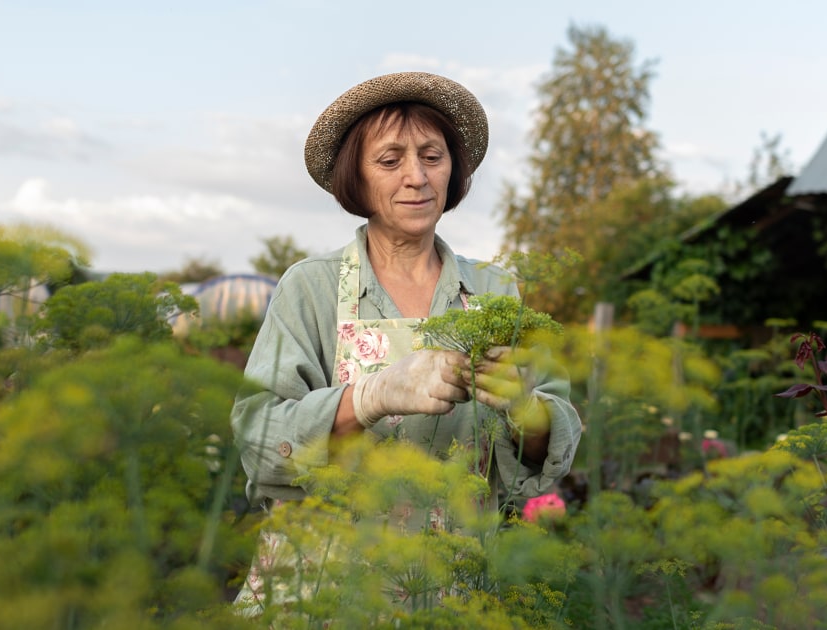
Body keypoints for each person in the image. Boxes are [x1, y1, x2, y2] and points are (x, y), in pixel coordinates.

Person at [231, 71, 582, 511]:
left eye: (432, 157)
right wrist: (369, 397)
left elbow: (553, 451)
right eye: (390, 161)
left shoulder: (494, 289)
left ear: (452, 171)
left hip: (461, 570)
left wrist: (524, 410)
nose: (416, 177)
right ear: (355, 177)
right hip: (328, 570)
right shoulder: (310, 287)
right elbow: (258, 439)